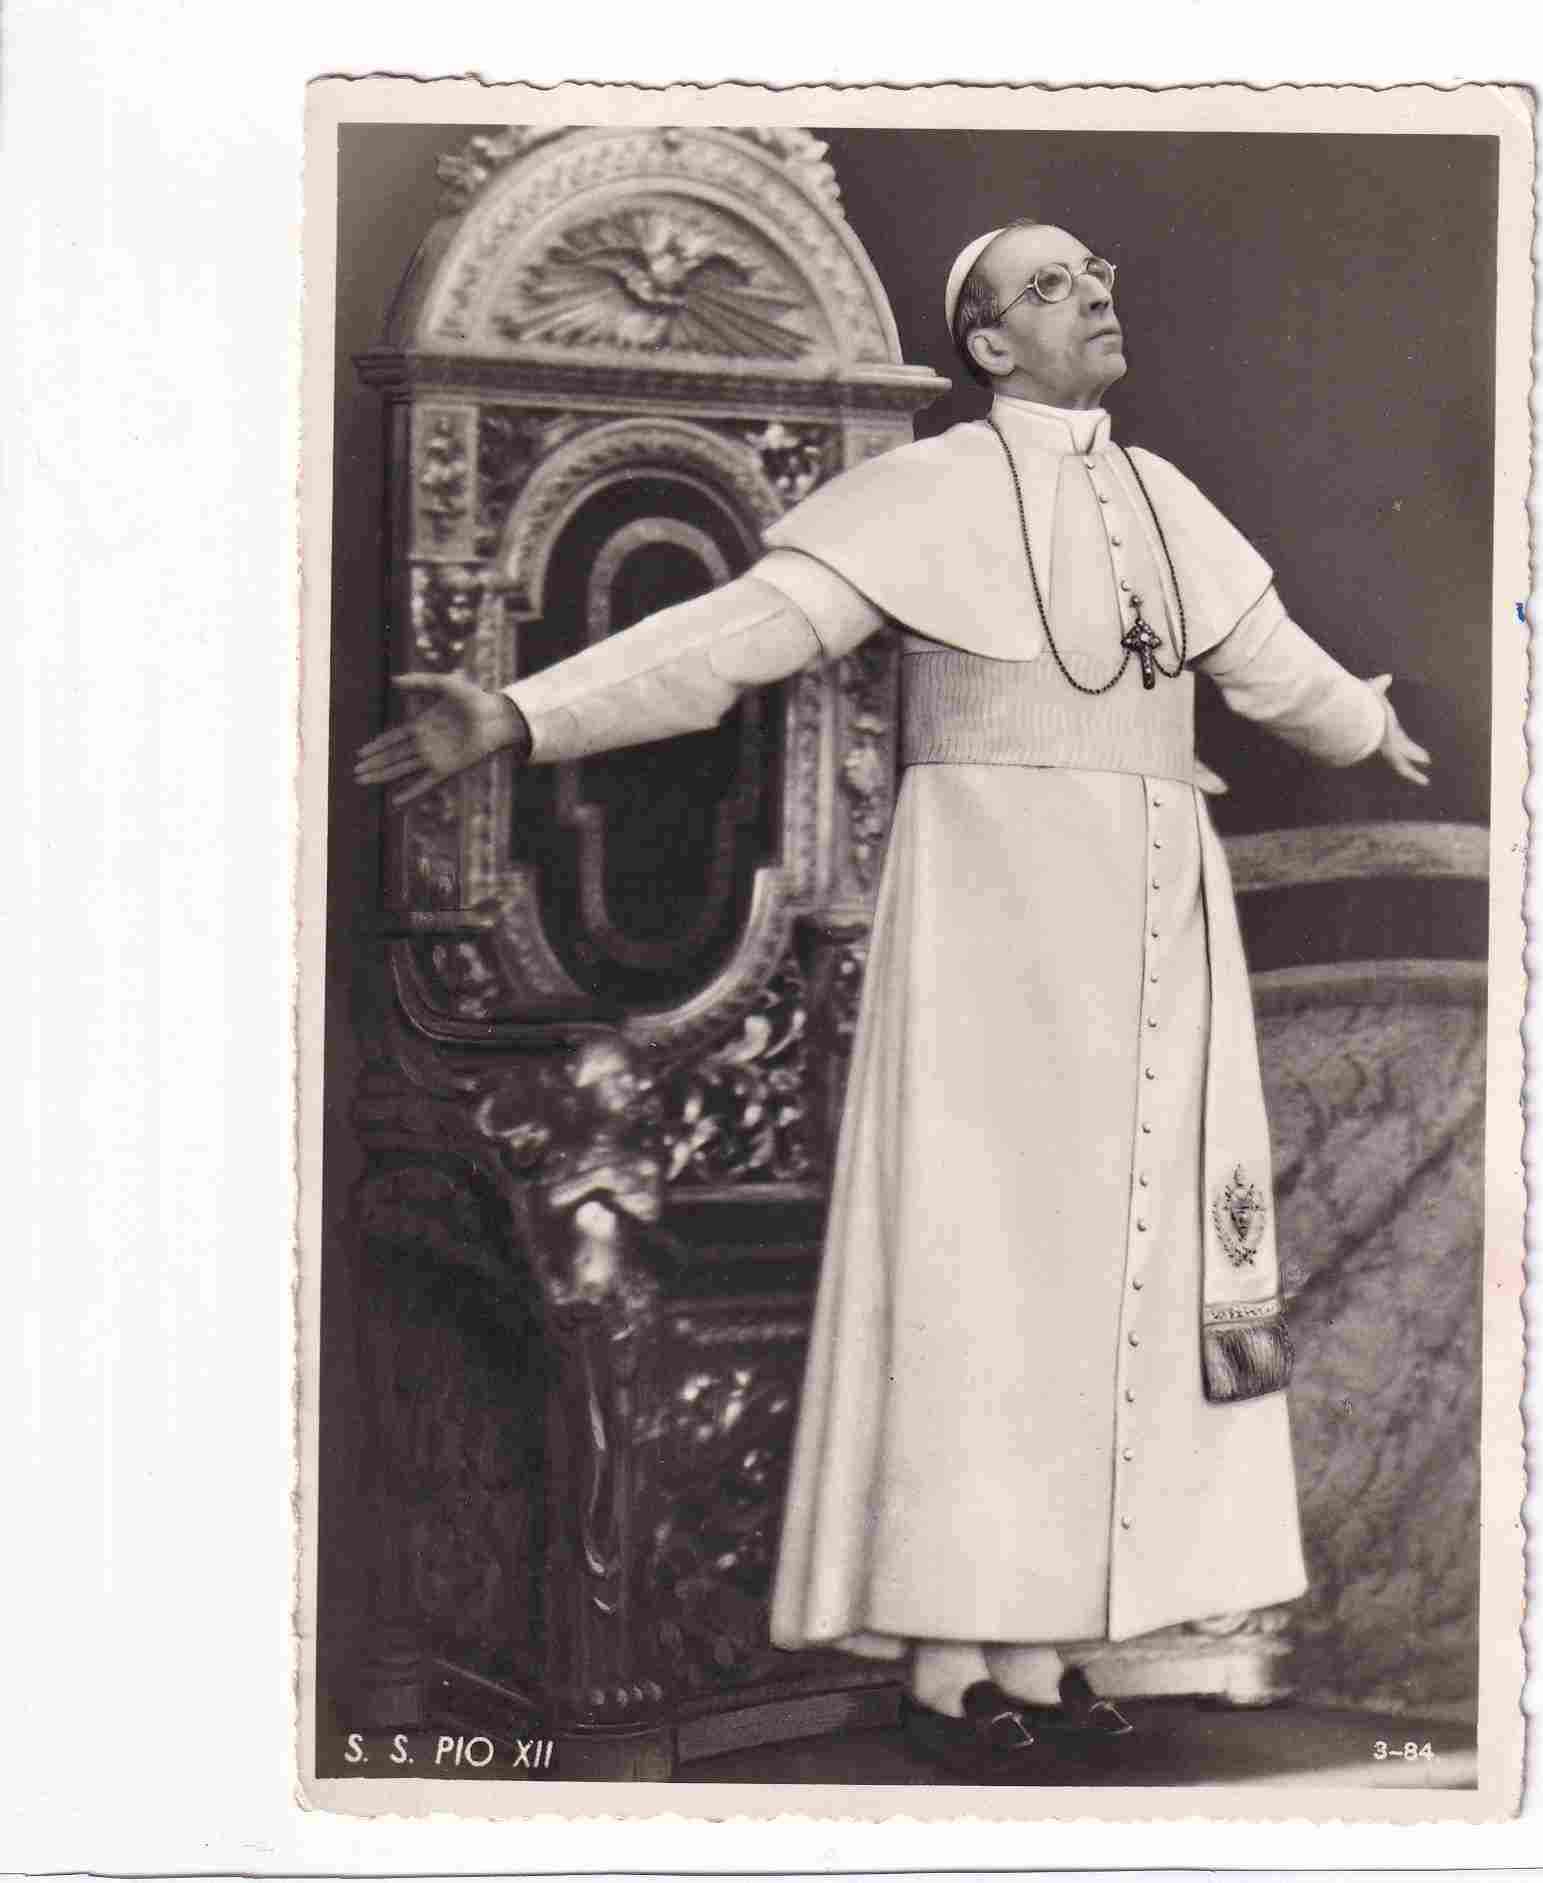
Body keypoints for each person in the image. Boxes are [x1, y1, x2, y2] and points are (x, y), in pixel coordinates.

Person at [356, 221, 1432, 1777]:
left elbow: (1273, 666)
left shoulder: (1162, 496)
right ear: (987, 343)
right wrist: (520, 716)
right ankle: (947, 1665)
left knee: (1129, 1274)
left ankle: (1052, 1651)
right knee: (986, 1270)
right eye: (1055, 286)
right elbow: (734, 641)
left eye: (1101, 275)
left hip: (1158, 918)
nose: (1097, 294)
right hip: (994, 911)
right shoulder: (928, 493)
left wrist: (1365, 727)